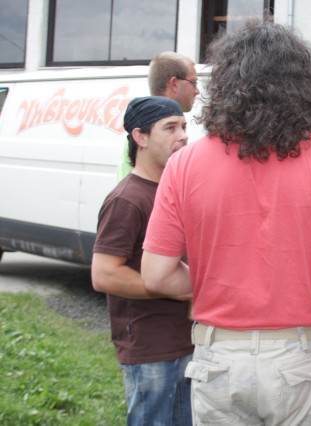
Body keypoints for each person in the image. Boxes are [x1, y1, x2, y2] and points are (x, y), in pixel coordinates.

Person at [140, 22, 311, 425]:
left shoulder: (184, 164)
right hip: (296, 356)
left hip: (217, 359)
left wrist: (218, 280)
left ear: (225, 86)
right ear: (304, 85)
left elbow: (155, 275)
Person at [92, 96, 192, 425]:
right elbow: (104, 274)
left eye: (184, 127)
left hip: (188, 343)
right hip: (151, 350)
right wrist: (177, 289)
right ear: (140, 137)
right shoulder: (127, 199)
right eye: (170, 128)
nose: (183, 136)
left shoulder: (175, 190)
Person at [116, 52, 200, 180]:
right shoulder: (139, 136)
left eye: (183, 127)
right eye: (193, 82)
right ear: (174, 84)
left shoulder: (143, 126)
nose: (197, 91)